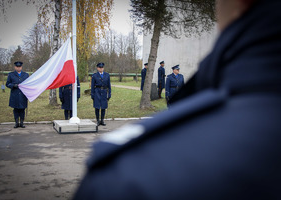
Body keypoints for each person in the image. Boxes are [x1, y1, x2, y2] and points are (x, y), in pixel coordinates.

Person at [73, 0, 281, 199]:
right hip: (117, 93)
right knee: (99, 106)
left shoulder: (122, 177)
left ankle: (101, 118)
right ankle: (98, 118)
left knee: (104, 107)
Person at [6, 61, 29, 128]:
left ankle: (21, 123)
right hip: (15, 95)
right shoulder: (11, 75)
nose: (18, 68)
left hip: (23, 95)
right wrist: (13, 85)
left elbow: (28, 84)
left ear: (21, 67)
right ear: (15, 67)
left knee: (22, 109)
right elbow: (7, 84)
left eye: (20, 67)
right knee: (15, 109)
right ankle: (16, 122)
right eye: (17, 67)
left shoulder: (26, 75)